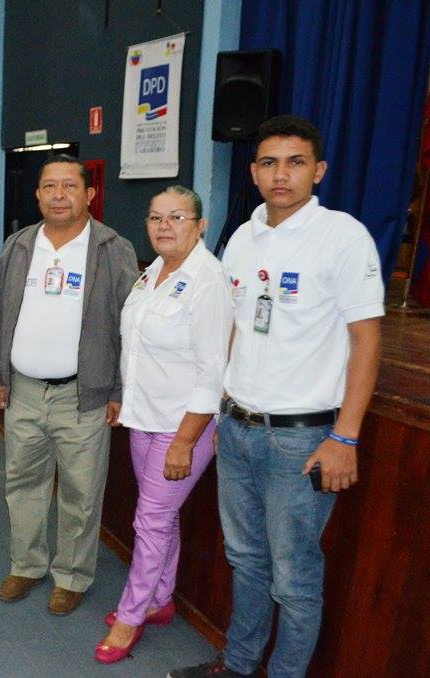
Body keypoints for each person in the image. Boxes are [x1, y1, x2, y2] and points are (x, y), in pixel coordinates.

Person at [169, 115, 384, 678]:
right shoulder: (243, 236)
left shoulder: (343, 236)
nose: (281, 174)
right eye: (269, 162)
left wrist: (345, 436)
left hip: (304, 438)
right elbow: (236, 329)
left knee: (294, 576)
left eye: (294, 162)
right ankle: (239, 665)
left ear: (319, 170)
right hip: (237, 426)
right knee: (246, 559)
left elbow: (367, 341)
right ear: (253, 171)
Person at [0, 154, 138, 615]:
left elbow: (128, 326)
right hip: (25, 391)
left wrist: (116, 390)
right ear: (37, 194)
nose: (58, 195)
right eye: (49, 186)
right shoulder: (18, 245)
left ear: (89, 194)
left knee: (80, 489)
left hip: (83, 394)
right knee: (23, 482)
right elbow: (1, 315)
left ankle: (72, 575)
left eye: (69, 186)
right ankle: (27, 565)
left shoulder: (113, 249)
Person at [94, 186, 232, 663]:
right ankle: (159, 600)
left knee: (149, 520)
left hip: (185, 427)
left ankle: (131, 617)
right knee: (160, 517)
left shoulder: (209, 281)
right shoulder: (153, 272)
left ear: (201, 224)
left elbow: (213, 372)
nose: (164, 226)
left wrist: (185, 441)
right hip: (144, 417)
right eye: (156, 217)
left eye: (176, 217)